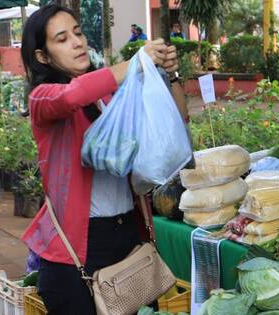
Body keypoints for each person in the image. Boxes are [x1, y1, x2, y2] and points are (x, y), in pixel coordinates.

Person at [19, 4, 187, 314]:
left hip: (127, 236)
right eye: (62, 38)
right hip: (79, 250)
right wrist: (136, 62)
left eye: (78, 33)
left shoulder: (109, 96)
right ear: (43, 56)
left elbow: (178, 120)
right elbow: (72, 96)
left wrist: (170, 74)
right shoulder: (43, 99)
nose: (77, 42)